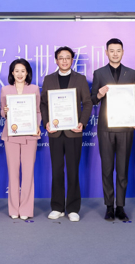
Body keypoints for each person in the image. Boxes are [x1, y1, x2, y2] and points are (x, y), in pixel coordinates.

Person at [90, 38, 135, 222]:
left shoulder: (131, 73)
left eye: (118, 50)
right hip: (106, 127)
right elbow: (92, 99)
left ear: (123, 52)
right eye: (111, 50)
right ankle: (109, 207)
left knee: (122, 168)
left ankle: (120, 207)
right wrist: (99, 94)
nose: (115, 53)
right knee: (107, 168)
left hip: (125, 127)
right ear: (106, 52)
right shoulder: (99, 73)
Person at [40, 46, 92, 222]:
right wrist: (46, 122)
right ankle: (57, 207)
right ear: (56, 60)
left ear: (72, 60)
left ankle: (73, 208)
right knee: (56, 170)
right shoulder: (48, 79)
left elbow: (87, 103)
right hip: (55, 132)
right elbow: (44, 104)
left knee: (73, 170)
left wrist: (82, 123)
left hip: (73, 131)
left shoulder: (80, 79)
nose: (64, 61)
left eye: (67, 58)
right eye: (61, 58)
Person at [0, 58, 41, 220]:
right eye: (16, 71)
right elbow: (2, 112)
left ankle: (25, 208)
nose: (19, 74)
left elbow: (38, 111)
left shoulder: (34, 89)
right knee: (13, 172)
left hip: (30, 135)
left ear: (27, 73)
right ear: (12, 73)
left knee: (28, 173)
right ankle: (13, 208)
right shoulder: (5, 90)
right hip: (11, 135)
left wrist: (37, 125)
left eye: (23, 71)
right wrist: (5, 111)